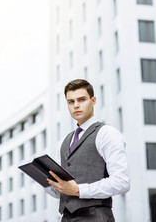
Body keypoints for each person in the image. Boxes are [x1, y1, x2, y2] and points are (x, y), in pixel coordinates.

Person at [45, 79, 130, 222]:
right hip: (66, 218)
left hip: (96, 217)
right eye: (70, 102)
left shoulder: (107, 134)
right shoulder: (63, 142)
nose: (76, 105)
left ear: (93, 101)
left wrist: (79, 190)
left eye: (81, 99)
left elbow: (122, 182)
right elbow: (58, 192)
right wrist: (45, 179)